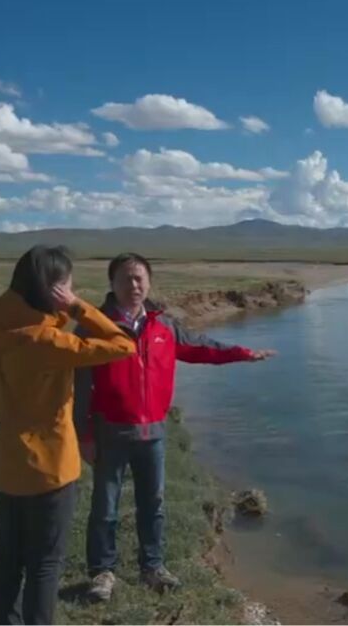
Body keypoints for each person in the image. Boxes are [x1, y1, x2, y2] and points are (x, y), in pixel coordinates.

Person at [73, 253, 275, 601]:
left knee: (154, 504)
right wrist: (84, 435)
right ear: (112, 284)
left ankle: (152, 567)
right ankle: (102, 573)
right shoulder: (95, 326)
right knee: (105, 506)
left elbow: (202, 348)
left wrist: (242, 353)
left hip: (154, 432)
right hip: (110, 432)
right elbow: (80, 386)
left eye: (139, 278)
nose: (133, 285)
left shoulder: (163, 326)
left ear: (149, 283)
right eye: (125, 279)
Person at [0, 245, 138, 625]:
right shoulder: (48, 344)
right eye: (67, 285)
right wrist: (78, 307)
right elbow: (123, 344)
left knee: (9, 557)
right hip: (50, 470)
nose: (72, 290)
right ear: (53, 291)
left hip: (9, 463)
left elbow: (13, 312)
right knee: (45, 564)